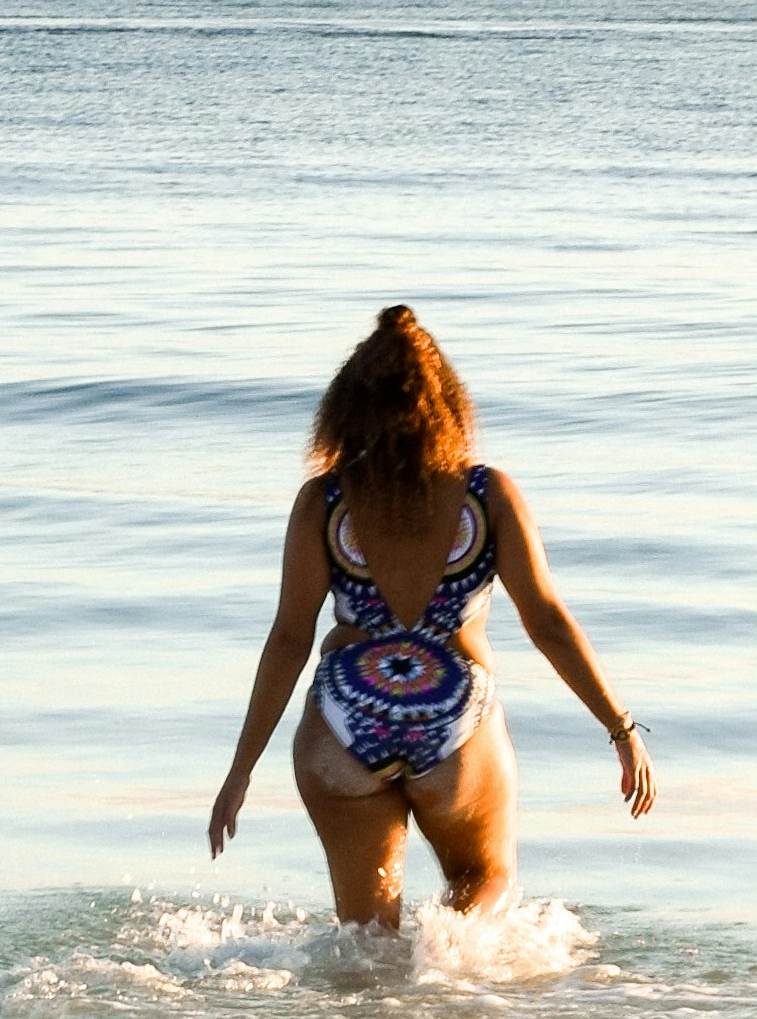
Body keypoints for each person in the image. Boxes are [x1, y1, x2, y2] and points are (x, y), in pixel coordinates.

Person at [207, 306, 655, 925]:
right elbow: (546, 621)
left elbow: (289, 637)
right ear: (448, 405)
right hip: (454, 718)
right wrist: (621, 729)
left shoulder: (325, 501)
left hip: (344, 718)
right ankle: (445, 982)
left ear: (346, 409)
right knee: (486, 879)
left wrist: (240, 772)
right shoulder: (486, 495)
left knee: (366, 944)